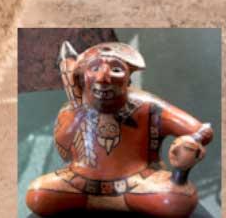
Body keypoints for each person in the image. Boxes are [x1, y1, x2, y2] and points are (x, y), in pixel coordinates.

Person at [26, 42, 213, 217]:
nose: (103, 78)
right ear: (83, 78)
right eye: (95, 68)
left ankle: (122, 200)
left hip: (138, 183)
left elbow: (201, 130)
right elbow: (66, 154)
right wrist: (78, 117)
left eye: (116, 69)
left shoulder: (147, 106)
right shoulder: (71, 111)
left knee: (177, 201)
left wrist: (189, 146)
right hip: (81, 183)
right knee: (37, 195)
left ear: (128, 79)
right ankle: (98, 200)